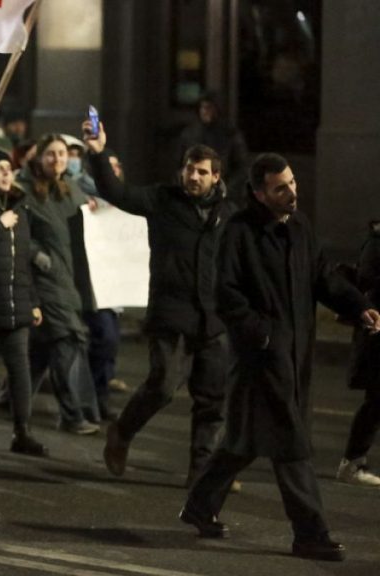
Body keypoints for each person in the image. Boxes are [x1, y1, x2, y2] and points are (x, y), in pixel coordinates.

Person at [180, 153, 380, 562]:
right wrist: (264, 335)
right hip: (261, 359)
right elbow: (225, 295)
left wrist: (359, 305)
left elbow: (322, 277)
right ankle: (310, 533)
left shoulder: (300, 227)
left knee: (242, 440)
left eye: (292, 183)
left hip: (295, 356)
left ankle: (200, 505)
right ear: (259, 193)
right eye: (280, 188)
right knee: (292, 444)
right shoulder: (239, 232)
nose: (291, 192)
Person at [87, 123, 240, 485]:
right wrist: (98, 153)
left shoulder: (229, 214)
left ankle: (202, 475)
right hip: (171, 315)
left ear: (216, 177)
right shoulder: (163, 200)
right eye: (189, 169)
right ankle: (122, 431)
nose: (193, 176)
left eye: (201, 171)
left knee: (213, 400)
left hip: (213, 320)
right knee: (163, 386)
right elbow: (117, 192)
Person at [18, 134, 102, 435]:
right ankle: (72, 414)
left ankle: (13, 397)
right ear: (39, 158)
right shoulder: (25, 192)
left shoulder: (71, 189)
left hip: (70, 279)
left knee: (43, 347)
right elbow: (17, 232)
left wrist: (93, 212)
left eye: (62, 154)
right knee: (67, 339)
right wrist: (38, 256)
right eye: (51, 154)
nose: (58, 159)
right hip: (46, 281)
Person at [0, 148, 49, 454]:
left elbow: (22, 263)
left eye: (8, 167)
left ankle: (23, 432)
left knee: (20, 369)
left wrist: (33, 300)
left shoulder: (20, 209)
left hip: (14, 301)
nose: (6, 173)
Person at [336, 220, 380, 486]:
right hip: (376, 334)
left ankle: (353, 461)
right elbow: (367, 283)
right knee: (376, 401)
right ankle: (352, 461)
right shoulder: (376, 244)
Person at [177, 91, 250, 194]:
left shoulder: (230, 134)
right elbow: (179, 165)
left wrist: (226, 188)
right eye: (203, 107)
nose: (205, 111)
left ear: (217, 109)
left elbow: (242, 167)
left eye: (210, 108)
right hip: (193, 190)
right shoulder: (189, 134)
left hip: (222, 191)